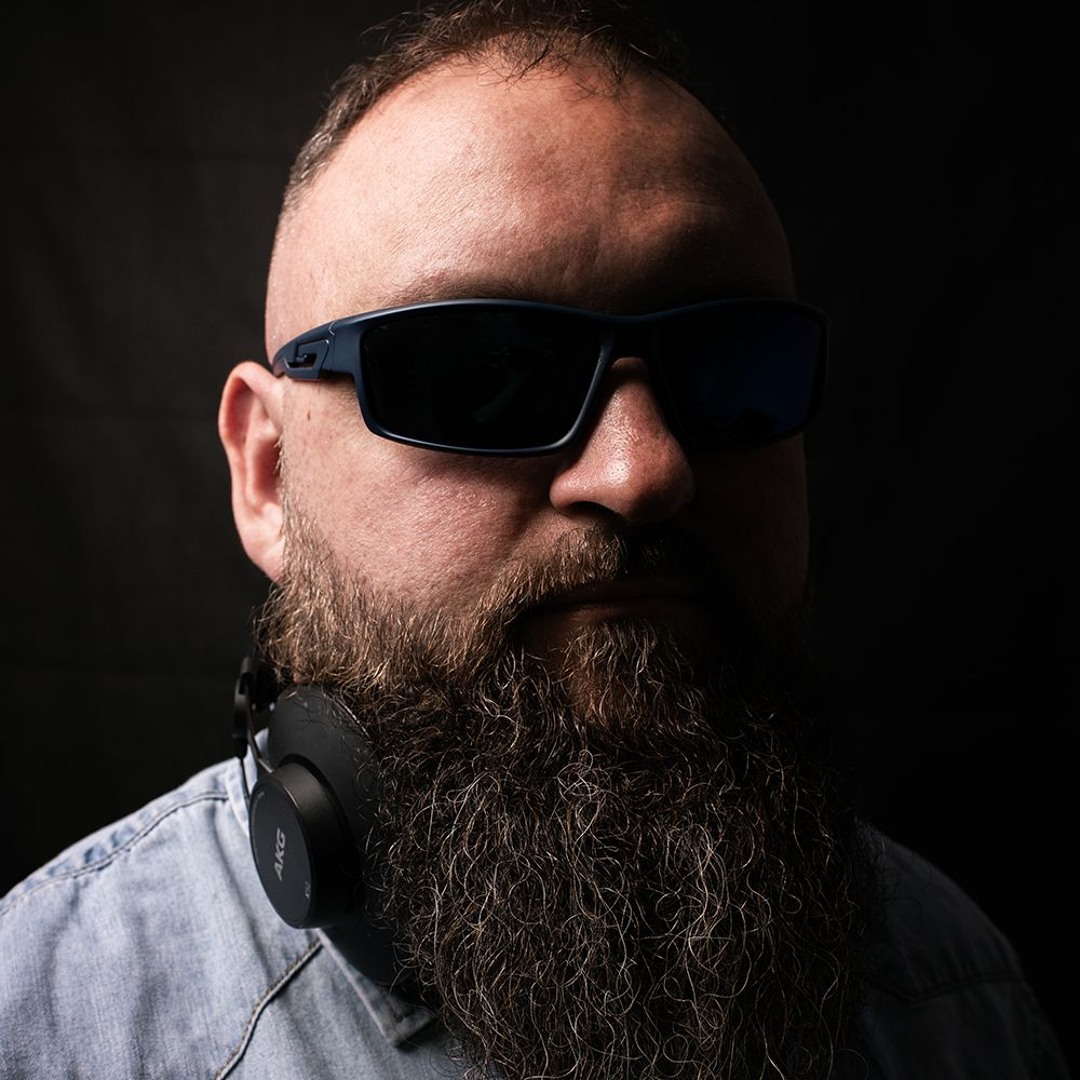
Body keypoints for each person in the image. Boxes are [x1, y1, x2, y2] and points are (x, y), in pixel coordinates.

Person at [0, 0, 1069, 1077]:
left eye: (729, 368)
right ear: (269, 474)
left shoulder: (954, 997)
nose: (643, 470)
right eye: (481, 374)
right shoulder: (48, 1022)